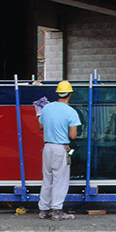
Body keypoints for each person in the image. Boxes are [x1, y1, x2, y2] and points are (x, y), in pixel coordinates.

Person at [38, 80, 81, 220]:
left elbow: (40, 126)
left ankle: (43, 210)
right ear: (70, 95)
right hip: (60, 148)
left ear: (58, 94)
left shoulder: (47, 108)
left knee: (47, 179)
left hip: (47, 147)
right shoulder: (71, 112)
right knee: (60, 180)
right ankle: (57, 210)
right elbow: (73, 135)